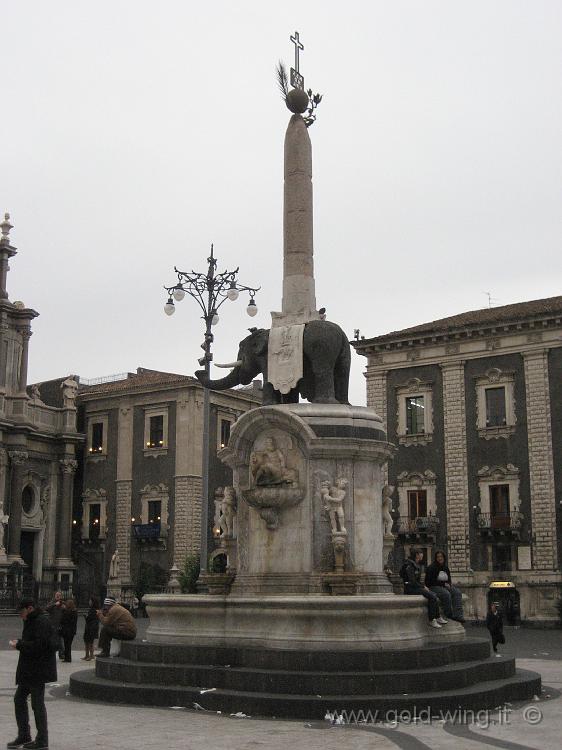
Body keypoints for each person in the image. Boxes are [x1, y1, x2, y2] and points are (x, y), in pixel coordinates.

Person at [8, 597, 57, 750]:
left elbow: (40, 646)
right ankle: (24, 735)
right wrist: (21, 643)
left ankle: (42, 740)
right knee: (19, 699)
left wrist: (20, 644)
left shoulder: (41, 621)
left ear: (29, 608)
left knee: (37, 704)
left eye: (21, 612)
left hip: (37, 670)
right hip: (29, 670)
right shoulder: (31, 620)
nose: (20, 616)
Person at [400, 547, 444, 629]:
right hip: (410, 589)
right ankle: (432, 620)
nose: (422, 555)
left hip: (415, 587)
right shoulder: (409, 565)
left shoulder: (415, 565)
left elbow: (416, 581)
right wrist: (423, 586)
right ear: (417, 555)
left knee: (434, 595)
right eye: (421, 553)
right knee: (432, 596)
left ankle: (437, 617)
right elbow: (412, 581)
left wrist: (423, 586)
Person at [424, 550, 465, 623]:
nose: (440, 558)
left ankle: (459, 615)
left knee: (457, 592)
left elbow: (449, 579)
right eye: (438, 557)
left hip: (444, 586)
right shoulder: (431, 568)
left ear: (444, 557)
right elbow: (429, 582)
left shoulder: (445, 568)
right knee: (446, 594)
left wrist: (449, 584)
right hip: (434, 587)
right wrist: (443, 584)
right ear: (436, 558)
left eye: (441, 556)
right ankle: (449, 614)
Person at [45, 591, 64, 660]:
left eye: (59, 595)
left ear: (61, 596)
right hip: (52, 625)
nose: (58, 596)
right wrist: (55, 604)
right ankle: (50, 653)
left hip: (60, 625)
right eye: (57, 595)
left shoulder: (63, 604)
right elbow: (46, 608)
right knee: (51, 640)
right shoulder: (52, 603)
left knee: (60, 640)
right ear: (54, 596)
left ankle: (61, 654)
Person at [82, 596, 100, 660]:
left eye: (90, 601)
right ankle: (87, 655)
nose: (89, 602)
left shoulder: (94, 610)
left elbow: (91, 619)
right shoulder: (92, 609)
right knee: (87, 641)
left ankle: (91, 655)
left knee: (90, 642)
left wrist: (86, 617)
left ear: (93, 602)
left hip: (91, 628)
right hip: (89, 627)